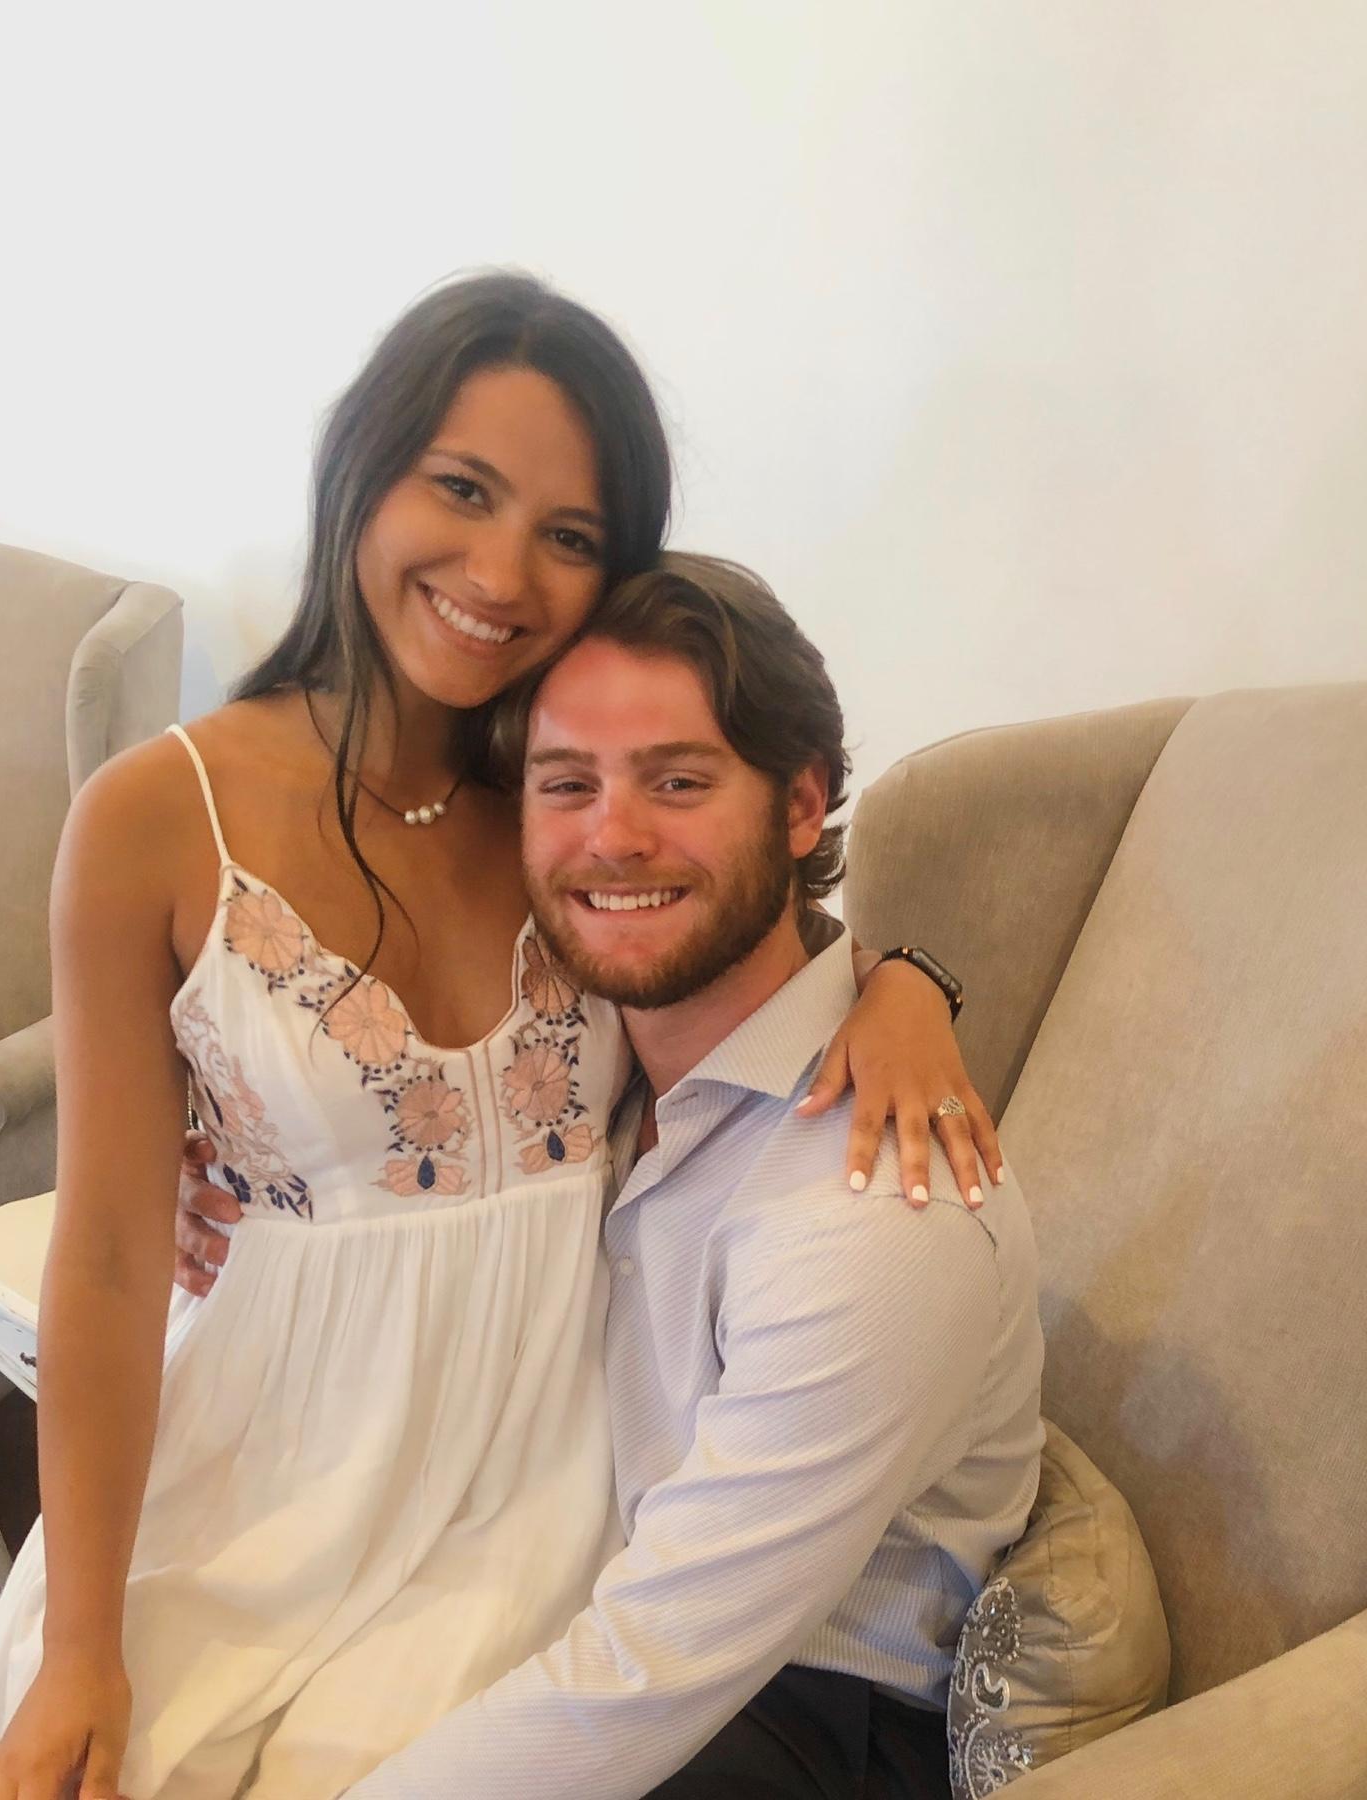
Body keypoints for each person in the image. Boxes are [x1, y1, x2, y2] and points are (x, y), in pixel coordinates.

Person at [0, 274, 998, 1800]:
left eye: (569, 535)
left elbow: (742, 912)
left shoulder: (559, 800)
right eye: (460, 488)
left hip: (534, 1489)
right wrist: (79, 1653)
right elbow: (107, 1259)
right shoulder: (154, 818)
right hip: (256, 1459)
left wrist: (912, 983)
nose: (501, 571)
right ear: (362, 471)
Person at [340, 555, 1044, 1799]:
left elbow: (651, 1668)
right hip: (572, 1583)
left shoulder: (876, 1213)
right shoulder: (578, 1046)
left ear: (800, 804)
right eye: (568, 784)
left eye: (677, 781)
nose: (614, 837)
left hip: (799, 1714)